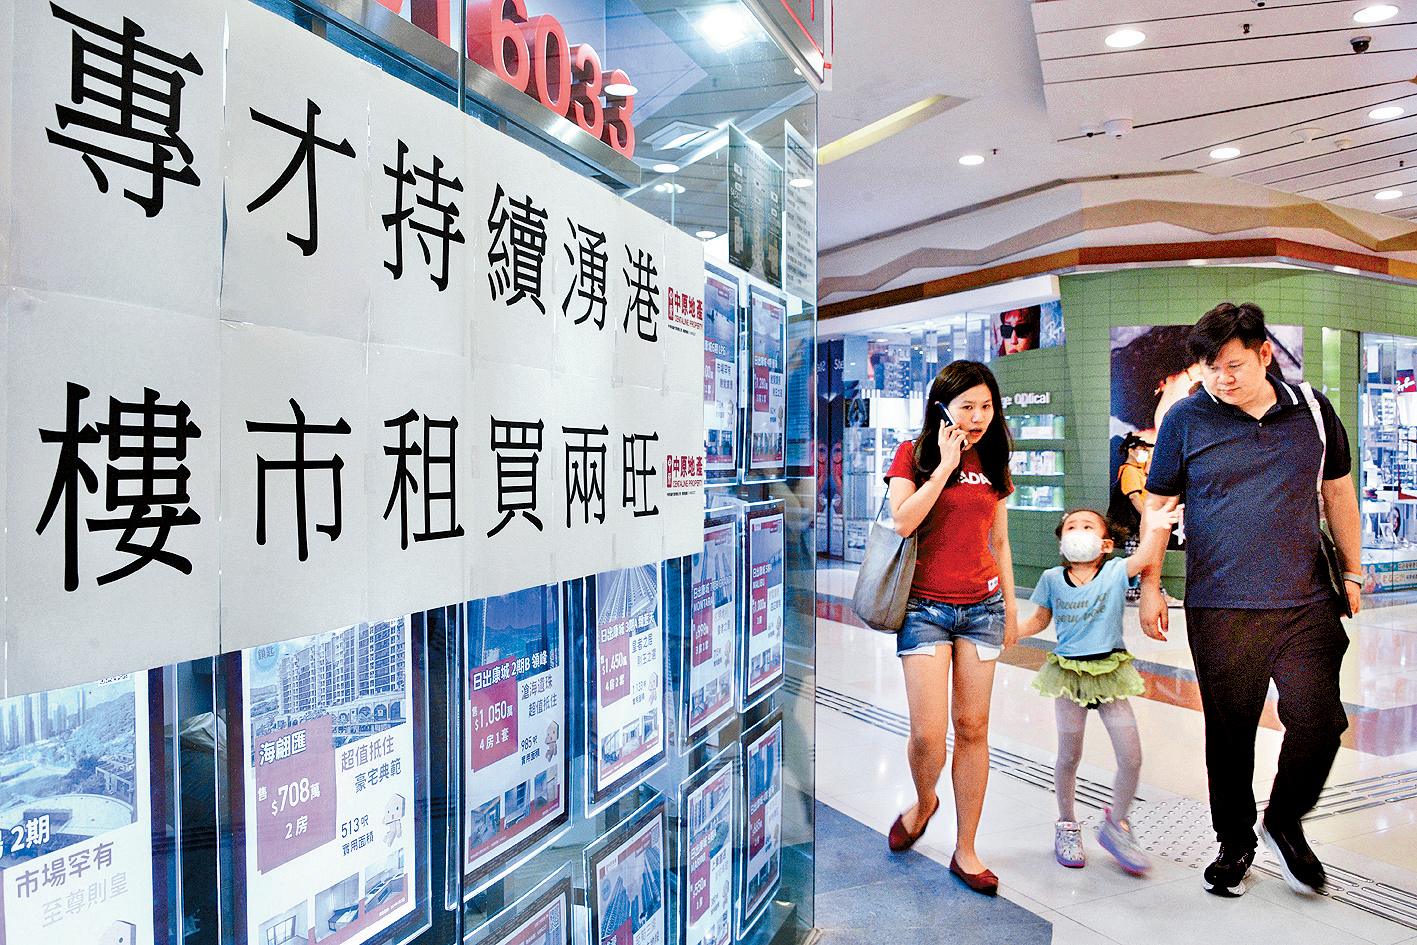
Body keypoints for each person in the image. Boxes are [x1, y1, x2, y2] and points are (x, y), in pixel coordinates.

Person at [1138, 301, 1363, 898]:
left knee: (1319, 720)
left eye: (1233, 365)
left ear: (1264, 354)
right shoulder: (1186, 418)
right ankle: (1234, 841)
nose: (1222, 379)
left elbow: (1339, 493)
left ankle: (1284, 819)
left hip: (1306, 599)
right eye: (1211, 369)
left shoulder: (1313, 410)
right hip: (1221, 604)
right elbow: (1158, 505)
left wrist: (1353, 569)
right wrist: (1150, 583)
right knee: (1230, 733)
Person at [882, 360, 1017, 897]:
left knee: (974, 727)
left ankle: (966, 849)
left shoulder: (995, 459)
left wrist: (1010, 608)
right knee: (927, 733)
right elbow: (902, 521)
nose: (979, 417)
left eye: (986, 406)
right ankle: (923, 802)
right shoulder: (912, 455)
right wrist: (943, 468)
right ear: (941, 407)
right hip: (924, 609)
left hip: (983, 610)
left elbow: (999, 540)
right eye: (967, 407)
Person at [1018, 505, 1180, 875]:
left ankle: (1117, 824)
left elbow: (1144, 556)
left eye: (1088, 526)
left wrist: (1157, 525)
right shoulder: (1051, 579)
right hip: (1069, 675)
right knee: (1068, 756)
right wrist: (1010, 632)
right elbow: (1039, 620)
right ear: (1061, 544)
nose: (1078, 531)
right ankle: (1066, 824)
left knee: (1131, 758)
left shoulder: (1115, 571)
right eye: (1071, 527)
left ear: (1106, 544)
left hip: (1109, 672)